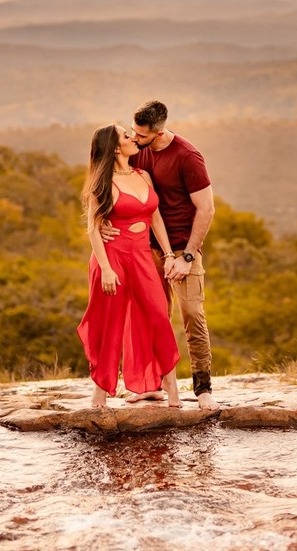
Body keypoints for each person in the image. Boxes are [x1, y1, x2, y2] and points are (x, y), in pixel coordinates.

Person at [120, 100, 218, 410]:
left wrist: (187, 257)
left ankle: (203, 389)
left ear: (159, 132)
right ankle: (153, 386)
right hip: (147, 248)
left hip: (182, 249)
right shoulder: (138, 150)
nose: (134, 138)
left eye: (141, 134)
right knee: (151, 315)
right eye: (132, 131)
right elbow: (118, 183)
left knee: (192, 315)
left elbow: (207, 209)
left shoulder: (187, 157)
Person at [76, 124, 182, 409]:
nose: (132, 138)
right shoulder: (102, 182)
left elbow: (156, 218)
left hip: (142, 256)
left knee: (159, 317)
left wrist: (170, 254)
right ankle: (100, 394)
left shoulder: (142, 174)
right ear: (113, 147)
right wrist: (107, 268)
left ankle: (172, 390)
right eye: (126, 135)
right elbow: (93, 229)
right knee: (109, 324)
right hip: (112, 258)